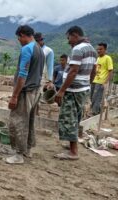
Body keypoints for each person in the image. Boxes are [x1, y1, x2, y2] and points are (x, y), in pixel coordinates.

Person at [54, 26, 97, 160]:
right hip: (83, 89)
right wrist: (88, 84)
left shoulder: (78, 49)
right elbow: (94, 70)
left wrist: (61, 91)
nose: (68, 41)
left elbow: (73, 71)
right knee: (76, 118)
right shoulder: (92, 49)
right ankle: (72, 145)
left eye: (69, 38)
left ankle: (73, 152)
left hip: (73, 90)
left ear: (75, 35)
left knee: (68, 118)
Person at [5, 25, 45, 164]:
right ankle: (28, 149)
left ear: (23, 35)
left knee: (18, 121)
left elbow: (22, 75)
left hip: (25, 91)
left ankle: (18, 154)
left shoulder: (27, 49)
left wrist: (14, 96)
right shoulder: (40, 49)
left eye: (19, 38)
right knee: (30, 121)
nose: (19, 41)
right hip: (35, 90)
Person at [91, 43, 114, 115]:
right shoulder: (98, 58)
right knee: (92, 97)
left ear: (105, 50)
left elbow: (110, 71)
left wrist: (106, 82)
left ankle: (94, 113)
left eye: (101, 49)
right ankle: (98, 112)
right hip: (94, 80)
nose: (98, 50)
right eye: (98, 49)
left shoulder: (107, 58)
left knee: (97, 98)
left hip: (101, 81)